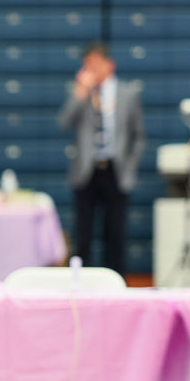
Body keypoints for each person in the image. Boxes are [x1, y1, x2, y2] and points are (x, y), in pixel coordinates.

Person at [57, 42, 145, 274]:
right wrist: (80, 93)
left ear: (109, 65)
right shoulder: (80, 92)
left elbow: (138, 136)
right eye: (87, 66)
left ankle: (116, 281)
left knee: (115, 233)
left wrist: (129, 168)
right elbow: (63, 122)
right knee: (83, 233)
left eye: (95, 64)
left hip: (115, 170)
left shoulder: (127, 93)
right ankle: (79, 282)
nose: (91, 70)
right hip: (86, 171)